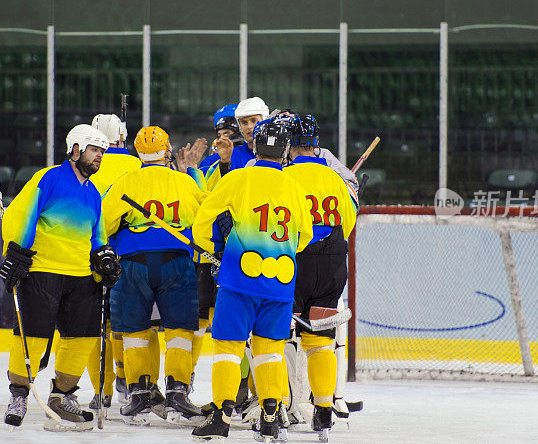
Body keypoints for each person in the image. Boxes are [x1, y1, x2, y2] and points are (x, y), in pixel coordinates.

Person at [191, 119, 313, 441]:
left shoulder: (239, 178)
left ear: (255, 147)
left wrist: (209, 248)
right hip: (281, 282)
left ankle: (221, 416)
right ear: (285, 151)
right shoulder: (294, 186)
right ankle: (271, 417)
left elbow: (204, 217)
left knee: (229, 349)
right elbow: (305, 236)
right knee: (271, 350)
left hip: (238, 279)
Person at [0, 124, 122, 431]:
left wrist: (104, 258)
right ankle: (19, 394)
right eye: (94, 150)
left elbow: (98, 234)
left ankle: (62, 396)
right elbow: (22, 215)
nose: (99, 158)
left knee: (83, 338)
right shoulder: (48, 178)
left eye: (102, 152)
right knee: (33, 336)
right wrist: (17, 252)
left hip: (81, 275)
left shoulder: (93, 194)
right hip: (43, 270)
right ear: (76, 149)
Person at [102, 126, 207, 425]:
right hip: (177, 261)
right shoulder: (182, 181)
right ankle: (178, 392)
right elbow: (204, 214)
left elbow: (106, 223)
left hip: (133, 262)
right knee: (179, 330)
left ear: (138, 153)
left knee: (134, 330)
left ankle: (138, 394)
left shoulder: (126, 180)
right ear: (168, 151)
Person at [281, 112, 357, 439]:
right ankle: (323, 410)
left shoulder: (284, 177)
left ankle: (278, 405)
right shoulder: (335, 179)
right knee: (322, 337)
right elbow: (349, 219)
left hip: (294, 261)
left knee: (281, 332)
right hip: (331, 263)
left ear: (288, 145)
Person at [86, 114, 142, 410]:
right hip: (125, 253)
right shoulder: (137, 165)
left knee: (94, 322)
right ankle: (125, 378)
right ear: (123, 136)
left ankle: (101, 390)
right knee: (123, 322)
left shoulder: (83, 165)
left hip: (87, 250)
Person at [204, 96, 269, 190]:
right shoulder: (225, 158)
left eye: (254, 120)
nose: (249, 126)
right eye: (244, 123)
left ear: (265, 120)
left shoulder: (279, 155)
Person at [198, 103, 243, 176]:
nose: (221, 138)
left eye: (226, 133)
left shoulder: (255, 157)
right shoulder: (210, 161)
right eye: (219, 135)